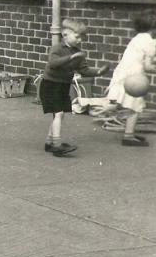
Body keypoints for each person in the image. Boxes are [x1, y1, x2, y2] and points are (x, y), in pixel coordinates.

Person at [39, 18, 113, 156]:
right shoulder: (57, 48)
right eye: (77, 36)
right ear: (65, 34)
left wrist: (98, 72)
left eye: (81, 37)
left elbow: (84, 70)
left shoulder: (77, 52)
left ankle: (50, 143)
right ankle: (57, 145)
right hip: (50, 85)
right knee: (59, 113)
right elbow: (53, 63)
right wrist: (71, 58)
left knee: (59, 115)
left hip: (63, 85)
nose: (80, 40)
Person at [105, 9, 156, 147]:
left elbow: (141, 58)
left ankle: (130, 133)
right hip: (134, 78)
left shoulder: (138, 38)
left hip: (124, 74)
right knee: (136, 106)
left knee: (132, 105)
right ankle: (128, 136)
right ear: (154, 27)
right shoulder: (151, 41)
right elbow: (147, 66)